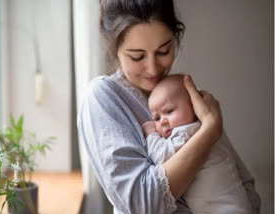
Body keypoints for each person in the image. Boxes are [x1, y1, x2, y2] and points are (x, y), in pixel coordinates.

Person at [77, 0, 260, 213]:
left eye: (164, 51)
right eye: (137, 56)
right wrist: (209, 130)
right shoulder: (102, 97)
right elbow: (141, 203)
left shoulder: (180, 90)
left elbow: (243, 181)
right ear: (114, 48)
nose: (153, 69)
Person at [142, 74, 254, 213]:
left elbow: (161, 156)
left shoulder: (188, 132)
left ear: (194, 106)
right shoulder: (204, 130)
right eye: (157, 118)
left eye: (169, 111)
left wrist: (151, 134)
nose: (162, 121)